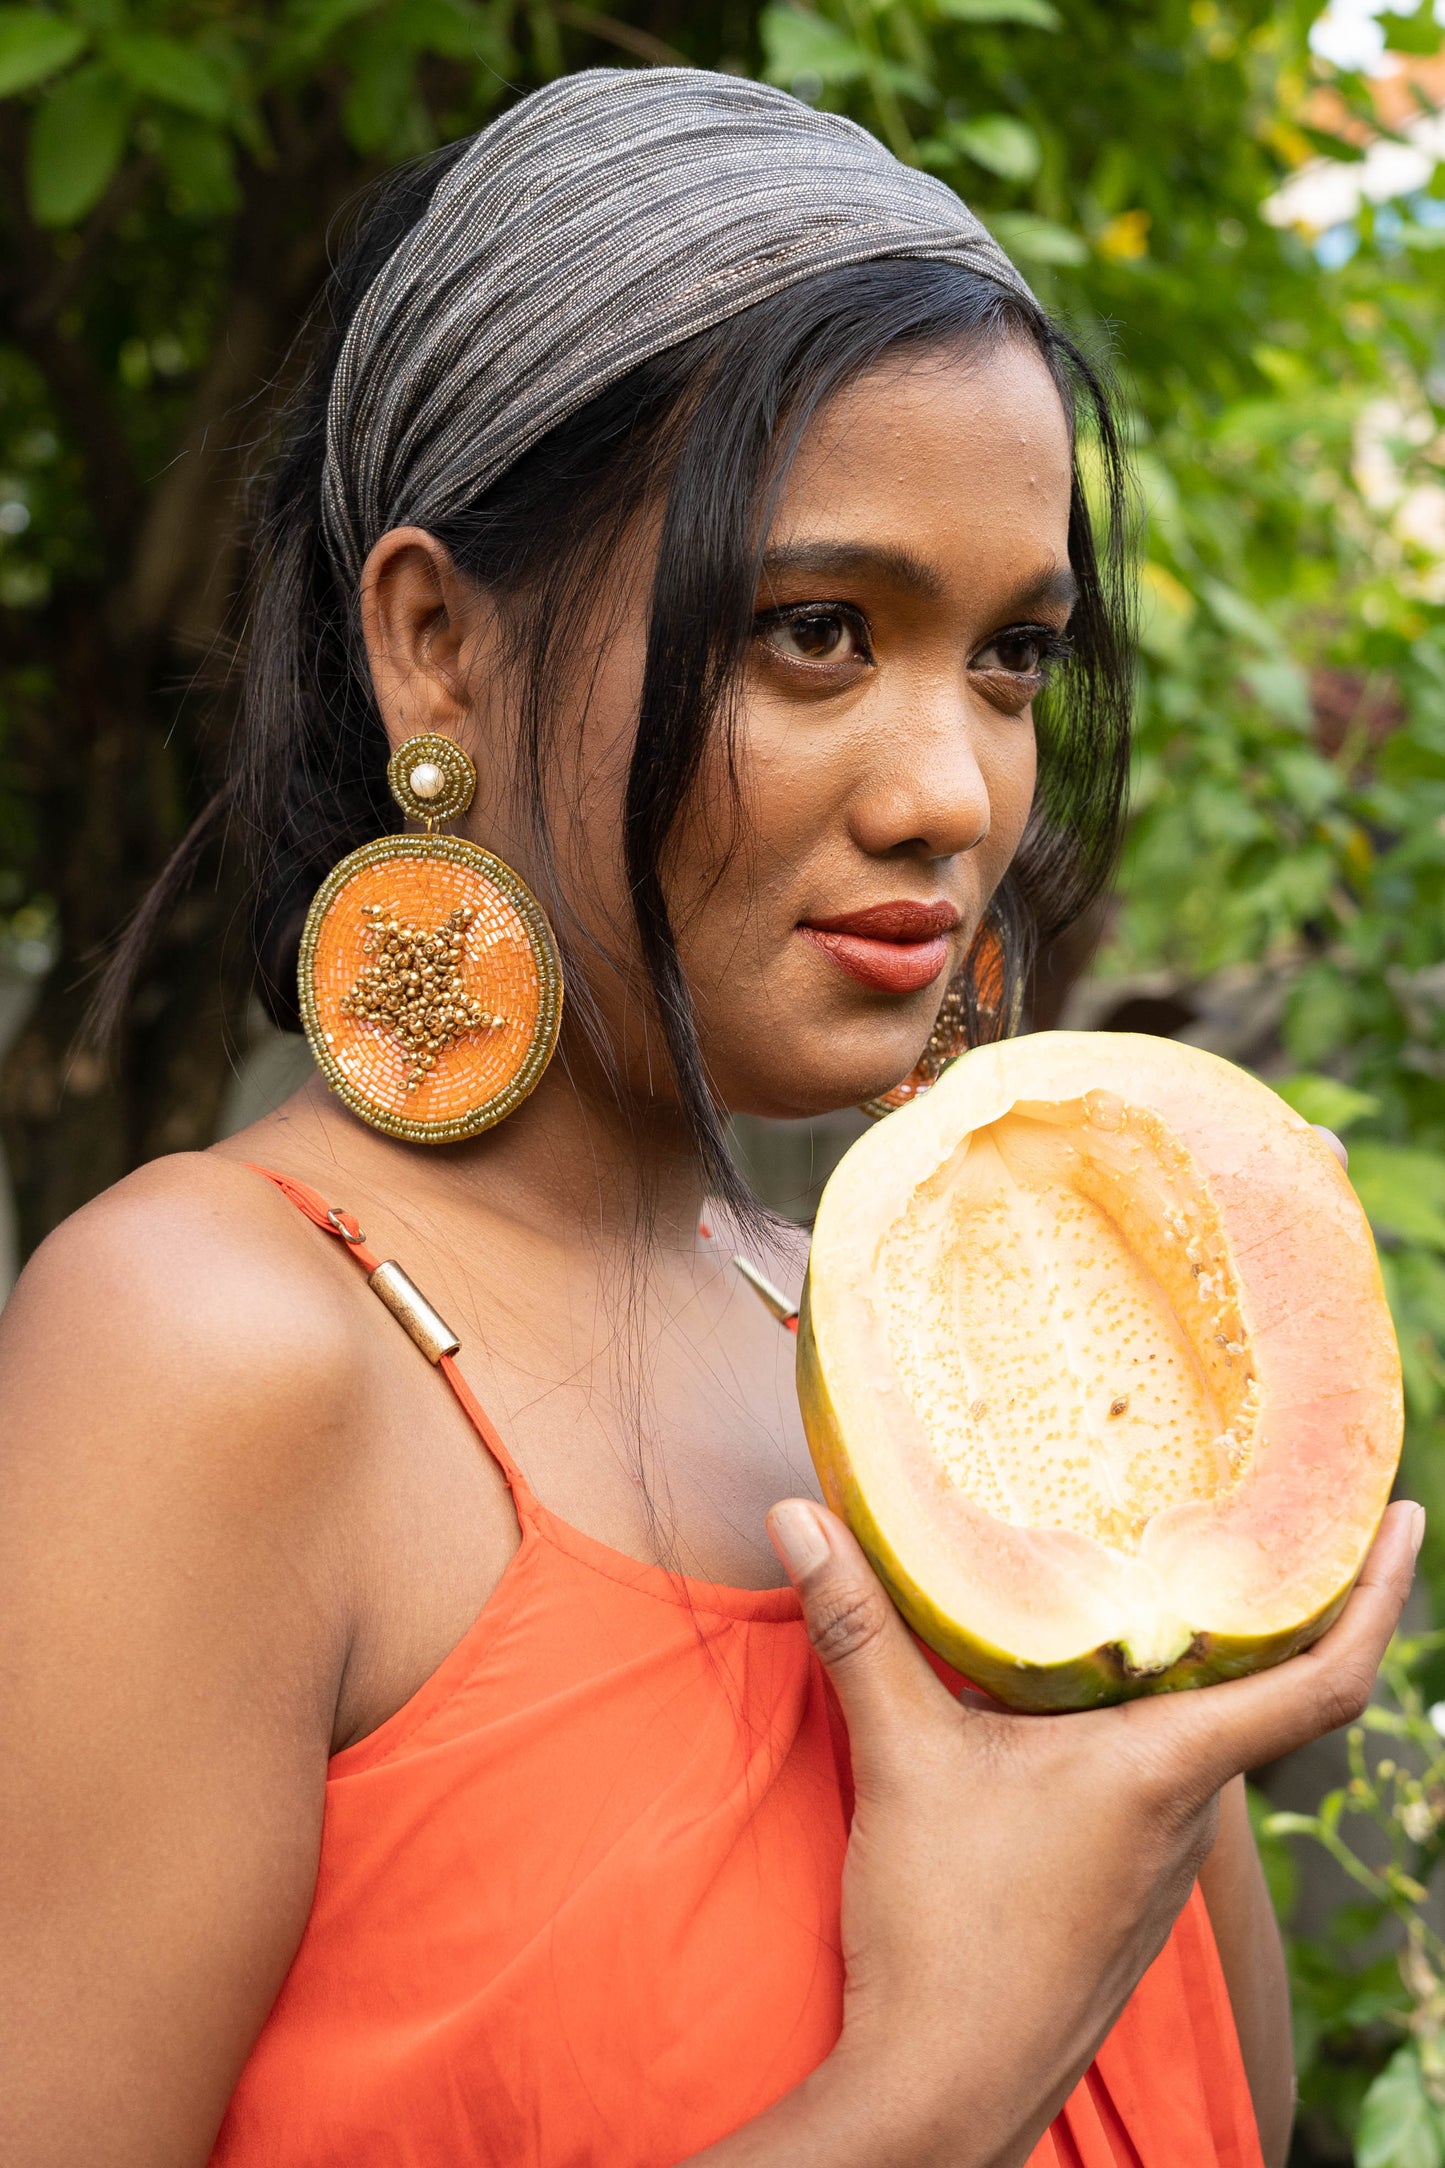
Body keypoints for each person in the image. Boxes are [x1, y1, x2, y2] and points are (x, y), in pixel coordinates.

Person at [0, 67, 1419, 2168]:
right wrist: (935, 2076)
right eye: (817, 632)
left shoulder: (923, 1384)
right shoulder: (214, 1352)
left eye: (1014, 656)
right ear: (431, 643)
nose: (954, 788)